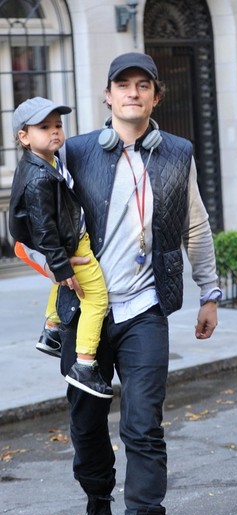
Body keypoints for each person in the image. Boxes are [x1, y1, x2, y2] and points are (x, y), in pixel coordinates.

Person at [25, 53, 221, 515]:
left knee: (144, 426)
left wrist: (209, 292)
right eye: (123, 85)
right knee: (87, 422)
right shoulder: (76, 150)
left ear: (156, 96)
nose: (133, 93)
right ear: (108, 96)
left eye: (143, 85)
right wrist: (54, 263)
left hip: (144, 310)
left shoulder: (177, 152)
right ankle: (97, 497)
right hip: (85, 311)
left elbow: (196, 224)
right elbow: (39, 209)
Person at [9, 97, 113, 399]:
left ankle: (52, 329)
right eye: (44, 127)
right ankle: (84, 365)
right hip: (70, 245)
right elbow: (43, 227)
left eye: (58, 125)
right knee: (96, 299)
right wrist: (59, 265)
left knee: (67, 286)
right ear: (24, 137)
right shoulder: (39, 178)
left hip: (68, 240)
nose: (55, 131)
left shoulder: (47, 162)